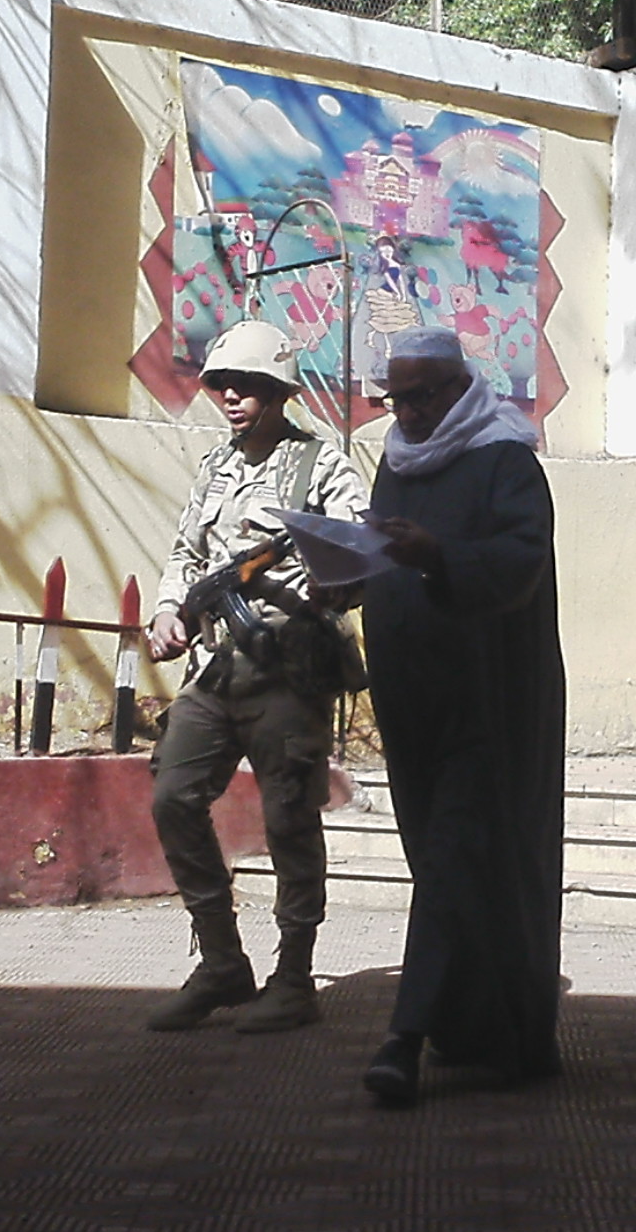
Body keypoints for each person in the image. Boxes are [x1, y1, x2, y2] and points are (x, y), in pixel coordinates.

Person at [142, 320, 371, 1035]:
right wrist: (169, 610)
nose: (233, 398)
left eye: (248, 387)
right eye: (223, 386)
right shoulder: (216, 467)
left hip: (288, 665)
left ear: (278, 393)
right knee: (174, 796)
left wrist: (332, 585)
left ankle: (294, 976)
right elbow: (186, 549)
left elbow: (358, 547)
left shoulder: (319, 464)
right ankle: (221, 960)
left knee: (289, 820)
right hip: (216, 667)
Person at [357, 325, 566, 1109]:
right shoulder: (395, 461)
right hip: (414, 701)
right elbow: (386, 556)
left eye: (419, 397)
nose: (405, 413)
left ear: (458, 387)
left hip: (490, 701)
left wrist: (439, 555)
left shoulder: (504, 460)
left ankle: (402, 1040)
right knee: (442, 861)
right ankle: (481, 1030)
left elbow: (518, 561)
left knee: (455, 858)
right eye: (395, 399)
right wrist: (347, 574)